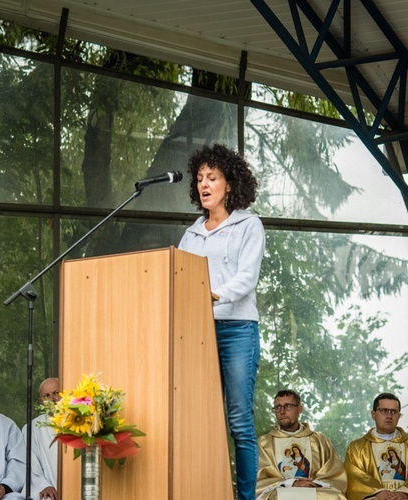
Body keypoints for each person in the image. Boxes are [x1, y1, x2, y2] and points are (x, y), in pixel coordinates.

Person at [178, 143, 265, 500]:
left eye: (212, 177)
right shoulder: (191, 232)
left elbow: (247, 277)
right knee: (201, 418)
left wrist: (214, 296)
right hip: (198, 332)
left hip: (237, 330)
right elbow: (179, 275)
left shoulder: (248, 224)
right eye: (200, 178)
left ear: (229, 184)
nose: (204, 184)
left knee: (239, 423)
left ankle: (245, 498)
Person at [256, 389, 348, 500]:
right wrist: (292, 482)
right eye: (278, 407)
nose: (282, 411)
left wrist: (313, 484)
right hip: (281, 490)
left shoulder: (319, 440)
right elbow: (259, 480)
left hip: (314, 489)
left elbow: (334, 474)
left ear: (299, 409)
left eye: (287, 406)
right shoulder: (264, 443)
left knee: (335, 497)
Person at [344, 393, 408, 500]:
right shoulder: (357, 447)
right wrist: (377, 493)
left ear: (398, 416)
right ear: (373, 414)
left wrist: (405, 493)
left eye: (394, 412)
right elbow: (354, 478)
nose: (389, 416)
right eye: (384, 410)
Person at [21, 377, 61, 500]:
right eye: (46, 396)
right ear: (41, 401)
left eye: (56, 393)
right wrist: (44, 485)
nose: (52, 399)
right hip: (48, 489)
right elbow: (31, 464)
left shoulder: (80, 421)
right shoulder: (32, 428)